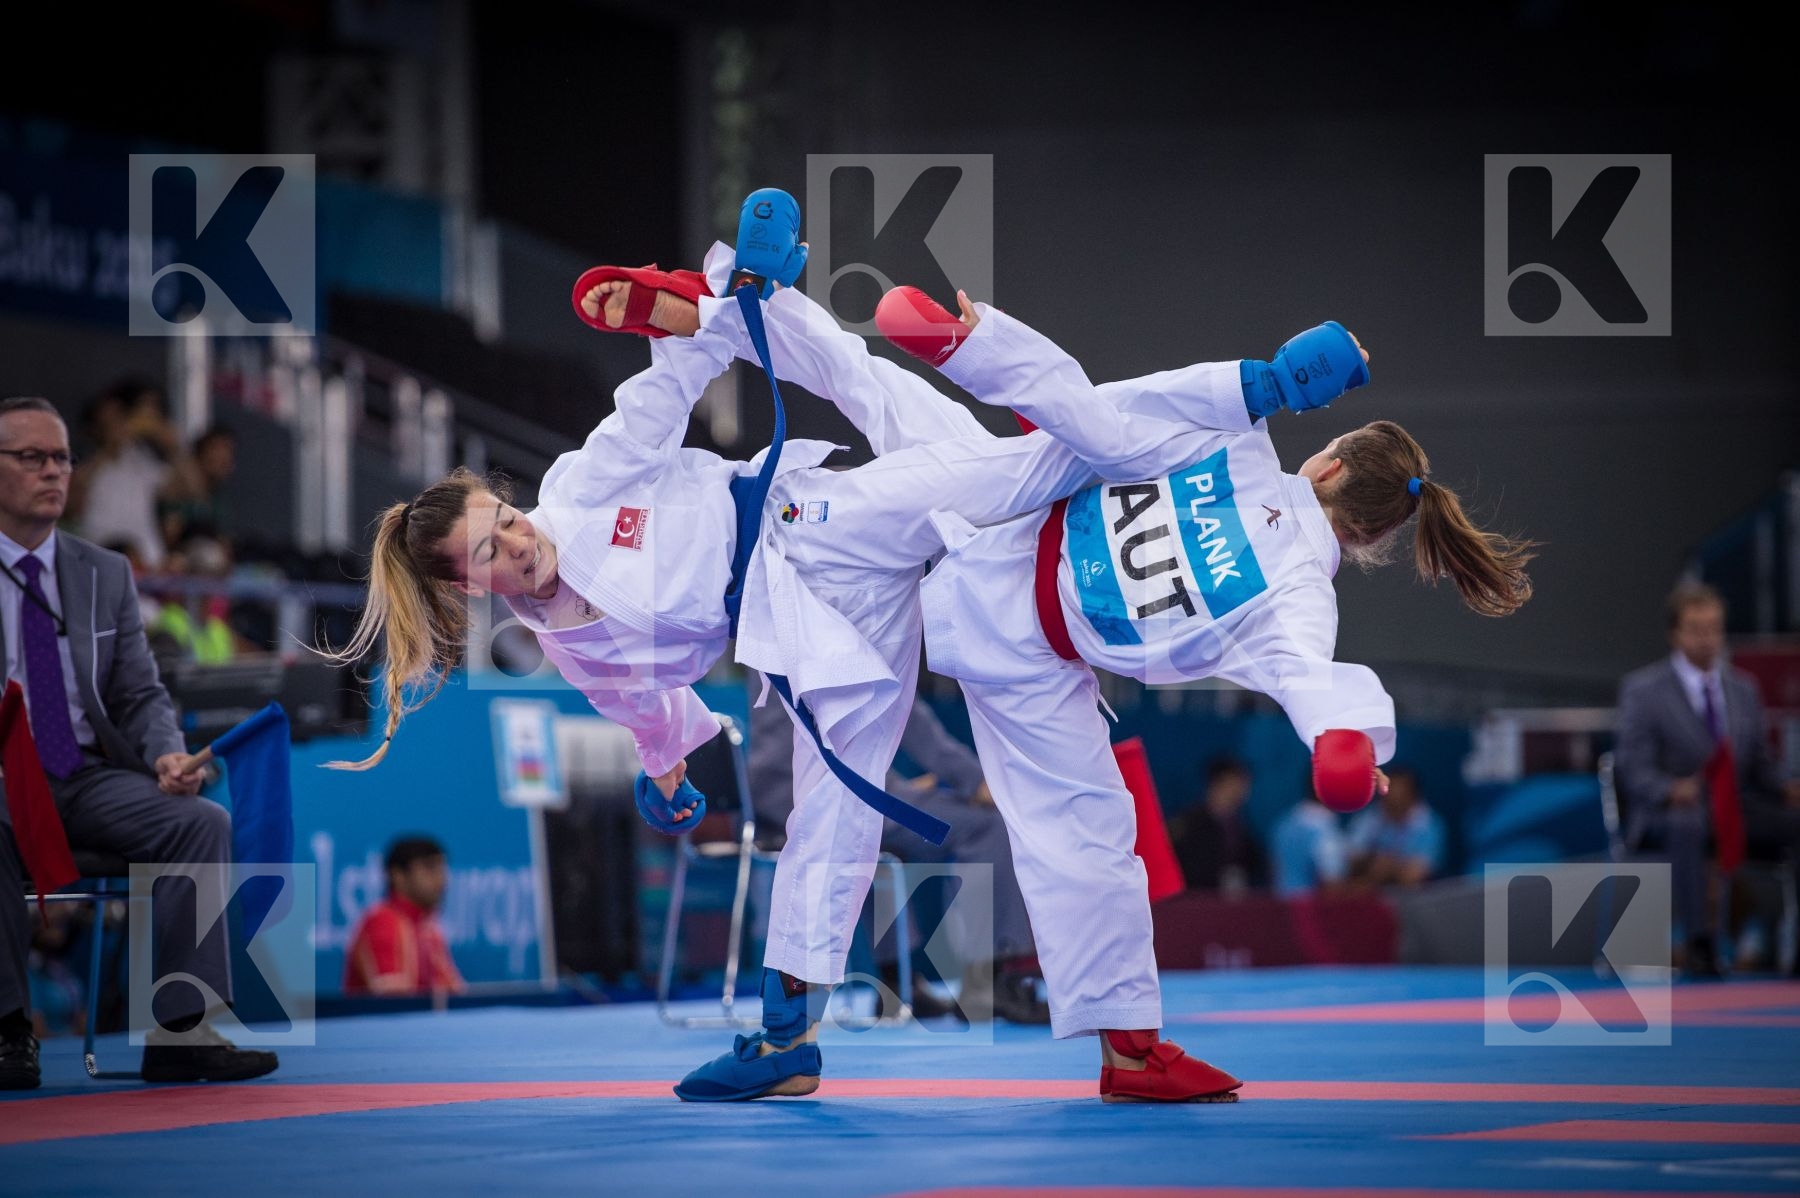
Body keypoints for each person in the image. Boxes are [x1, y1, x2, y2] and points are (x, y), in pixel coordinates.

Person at [877, 283, 1531, 1097]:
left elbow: (1110, 414)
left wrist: (1273, 384)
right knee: (1091, 841)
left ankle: (827, 332)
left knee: (897, 405)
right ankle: (1130, 1050)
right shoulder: (1298, 595)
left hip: (1002, 530)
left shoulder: (1238, 445)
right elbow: (1304, 676)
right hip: (1031, 655)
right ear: (1376, 539)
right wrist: (1343, 743)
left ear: (1325, 463)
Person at [0, 395, 276, 1089]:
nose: (53, 472)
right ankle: (8, 1033)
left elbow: (140, 693)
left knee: (199, 820)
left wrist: (164, 752)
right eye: (30, 458)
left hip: (86, 776)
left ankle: (181, 1031)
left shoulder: (104, 572)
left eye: (61, 457)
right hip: (4, 782)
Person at [748, 695, 1048, 1024]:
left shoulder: (770, 642)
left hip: (776, 797)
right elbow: (905, 710)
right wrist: (976, 780)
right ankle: (988, 983)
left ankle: (891, 986)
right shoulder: (859, 641)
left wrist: (896, 787)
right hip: (836, 791)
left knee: (875, 847)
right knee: (988, 826)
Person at [1615, 581, 1795, 977]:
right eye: (1696, 629)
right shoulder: (1644, 691)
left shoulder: (1743, 690)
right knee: (1689, 822)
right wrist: (1669, 788)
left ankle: (1794, 944)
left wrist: (1786, 786)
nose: (1707, 638)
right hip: (1672, 810)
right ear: (1675, 634)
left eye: (1714, 628)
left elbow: (1761, 764)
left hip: (1734, 805)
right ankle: (1701, 942)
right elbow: (1633, 767)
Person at [343, 836, 466, 997]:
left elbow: (454, 992)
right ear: (397, 875)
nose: (441, 879)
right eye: (430, 868)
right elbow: (394, 1002)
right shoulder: (382, 922)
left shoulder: (429, 929)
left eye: (442, 869)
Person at [1169, 756, 1268, 893]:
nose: (1243, 790)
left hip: (1228, 906)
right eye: (1237, 782)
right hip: (1192, 904)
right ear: (1217, 783)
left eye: (1245, 783)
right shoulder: (1187, 825)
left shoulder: (1240, 828)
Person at [1345, 766, 1444, 888]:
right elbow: (1349, 861)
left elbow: (1413, 876)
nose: (1394, 799)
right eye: (1389, 793)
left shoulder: (1429, 825)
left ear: (1413, 796)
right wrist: (1373, 859)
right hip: (1370, 888)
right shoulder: (1370, 817)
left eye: (1400, 795)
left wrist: (1389, 867)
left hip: (1417, 897)